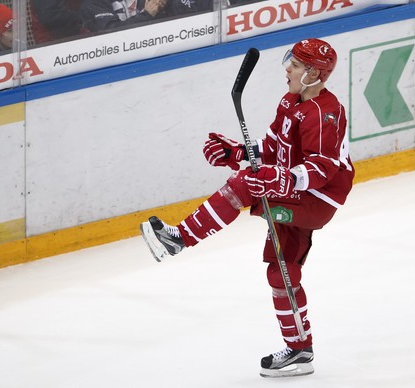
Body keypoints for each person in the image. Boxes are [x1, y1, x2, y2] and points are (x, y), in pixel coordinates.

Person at [140, 38, 354, 378]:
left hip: (317, 199)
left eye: (296, 65)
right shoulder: (290, 102)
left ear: (314, 73)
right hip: (294, 192)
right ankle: (299, 349)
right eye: (290, 61)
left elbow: (321, 170)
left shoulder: (324, 113)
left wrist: (275, 180)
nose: (288, 68)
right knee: (280, 271)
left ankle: (178, 238)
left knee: (243, 185)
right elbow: (271, 149)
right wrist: (236, 153)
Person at [80, 0, 168, 32]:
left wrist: (161, 8)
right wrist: (147, 15)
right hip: (108, 53)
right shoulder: (94, 2)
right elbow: (111, 31)